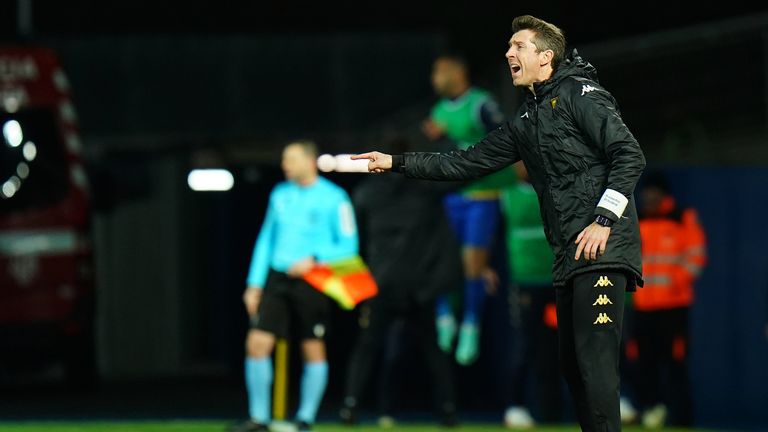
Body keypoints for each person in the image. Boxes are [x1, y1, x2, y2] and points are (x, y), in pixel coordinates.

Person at [352, 15, 646, 432]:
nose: (509, 53)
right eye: (509, 46)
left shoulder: (582, 93)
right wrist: (395, 162)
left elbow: (630, 155)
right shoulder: (528, 119)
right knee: (574, 366)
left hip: (604, 244)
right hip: (568, 253)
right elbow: (463, 162)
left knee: (595, 363)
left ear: (546, 57)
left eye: (519, 46)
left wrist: (603, 219)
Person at [231, 141, 359, 432]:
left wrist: (314, 259)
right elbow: (266, 239)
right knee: (257, 343)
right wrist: (254, 284)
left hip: (314, 279)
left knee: (312, 348)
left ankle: (305, 418)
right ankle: (258, 418)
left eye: (291, 159)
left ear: (309, 161)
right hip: (277, 278)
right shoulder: (280, 194)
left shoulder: (335, 197)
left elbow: (349, 246)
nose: (284, 165)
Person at [340, 135, 460, 427]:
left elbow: (352, 242)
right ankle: (447, 410)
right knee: (433, 351)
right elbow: (458, 175)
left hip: (381, 284)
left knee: (367, 347)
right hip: (418, 285)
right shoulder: (425, 191)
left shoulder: (366, 193)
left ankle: (350, 406)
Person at [423, 54, 511, 366]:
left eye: (440, 71)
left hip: (483, 194)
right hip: (452, 196)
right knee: (444, 260)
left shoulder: (481, 104)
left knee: (474, 265)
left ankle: (472, 325)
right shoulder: (439, 110)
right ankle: (444, 316)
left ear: (458, 72)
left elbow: (506, 138)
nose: (435, 78)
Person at [628, 171, 706, 428]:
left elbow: (696, 257)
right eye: (645, 193)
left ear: (663, 194)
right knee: (643, 364)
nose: (648, 197)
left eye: (653, 193)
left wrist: (674, 284)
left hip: (674, 307)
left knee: (676, 365)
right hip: (643, 307)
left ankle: (682, 419)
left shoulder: (683, 217)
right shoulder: (635, 219)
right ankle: (652, 410)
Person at [499, 162, 559, 428]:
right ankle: (515, 406)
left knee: (569, 344)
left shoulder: (558, 191)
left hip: (559, 279)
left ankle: (558, 409)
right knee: (524, 344)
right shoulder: (506, 196)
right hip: (525, 281)